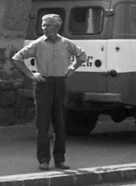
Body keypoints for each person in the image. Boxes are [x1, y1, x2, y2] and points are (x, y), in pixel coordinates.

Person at [13, 14, 89, 170]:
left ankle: (60, 159)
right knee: (42, 124)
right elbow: (17, 58)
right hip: (44, 84)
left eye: (47, 25)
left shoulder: (67, 44)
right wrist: (31, 74)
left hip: (60, 83)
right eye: (43, 25)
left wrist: (72, 69)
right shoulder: (38, 44)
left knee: (60, 123)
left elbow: (82, 56)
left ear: (56, 27)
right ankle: (43, 159)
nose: (44, 28)